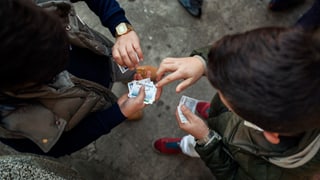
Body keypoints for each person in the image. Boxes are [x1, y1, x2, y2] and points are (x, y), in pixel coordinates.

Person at [152, 20, 320, 180]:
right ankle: (212, 113)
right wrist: (203, 62)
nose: (219, 92)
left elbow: (232, 175)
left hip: (221, 146)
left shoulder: (280, 175)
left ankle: (187, 145)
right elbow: (244, 55)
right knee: (217, 113)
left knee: (202, 136)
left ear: (270, 134)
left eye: (225, 98)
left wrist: (205, 139)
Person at [0, 0, 157, 158]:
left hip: (104, 55)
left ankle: (132, 75)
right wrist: (116, 114)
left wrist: (121, 28)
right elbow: (59, 146)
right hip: (90, 107)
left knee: (131, 69)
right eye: (55, 67)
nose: (67, 50)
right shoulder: (9, 121)